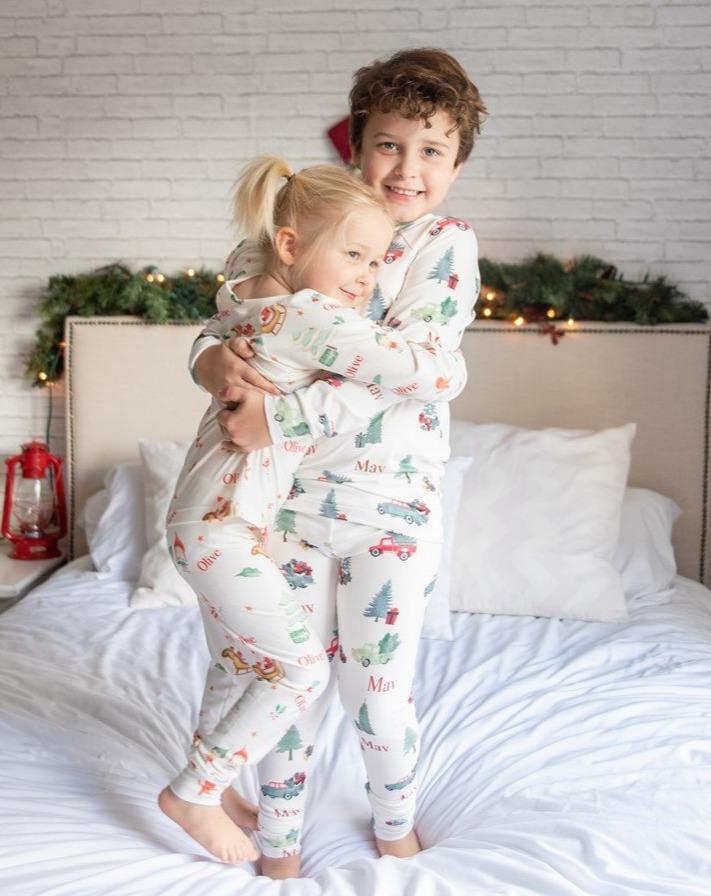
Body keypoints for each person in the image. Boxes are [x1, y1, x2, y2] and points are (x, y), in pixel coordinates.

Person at [192, 48, 487, 880]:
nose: (408, 167)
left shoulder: (444, 243)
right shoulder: (311, 219)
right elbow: (236, 314)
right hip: (288, 501)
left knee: (377, 684)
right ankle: (280, 847)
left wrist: (278, 411)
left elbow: (417, 375)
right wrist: (208, 364)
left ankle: (395, 828)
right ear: (355, 146)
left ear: (455, 164)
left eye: (432, 150)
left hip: (390, 508)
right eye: (390, 144)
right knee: (297, 679)